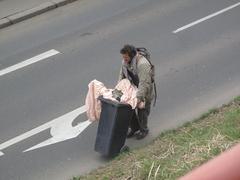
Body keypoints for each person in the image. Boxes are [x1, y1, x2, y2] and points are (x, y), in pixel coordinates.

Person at [118, 44, 154, 139]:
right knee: (129, 109)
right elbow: (122, 77)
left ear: (132, 56)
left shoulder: (143, 64)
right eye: (123, 57)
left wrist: (138, 98)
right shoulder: (125, 62)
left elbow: (144, 83)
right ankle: (134, 128)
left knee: (142, 110)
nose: (124, 59)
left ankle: (143, 130)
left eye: (125, 57)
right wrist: (117, 92)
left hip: (144, 91)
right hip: (133, 88)